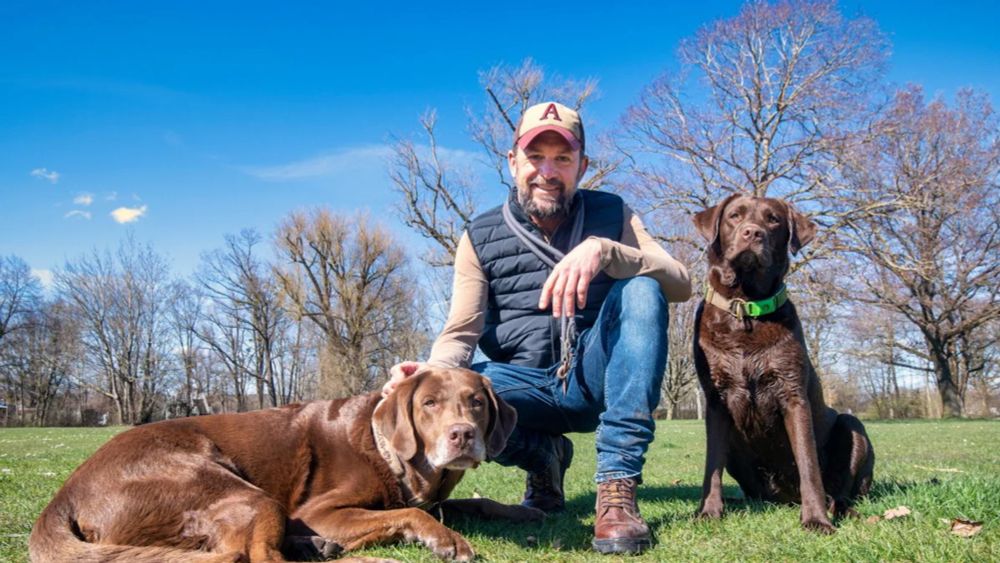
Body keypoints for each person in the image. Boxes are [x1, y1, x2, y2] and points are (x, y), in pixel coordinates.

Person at [384, 101, 691, 554]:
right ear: (512, 162)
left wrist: (608, 252)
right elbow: (461, 332)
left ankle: (616, 491)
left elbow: (681, 282)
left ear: (581, 167)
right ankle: (543, 459)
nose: (547, 171)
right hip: (523, 387)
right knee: (470, 394)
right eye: (535, 157)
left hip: (596, 377)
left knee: (644, 289)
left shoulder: (614, 214)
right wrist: (427, 373)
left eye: (563, 159)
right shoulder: (480, 235)